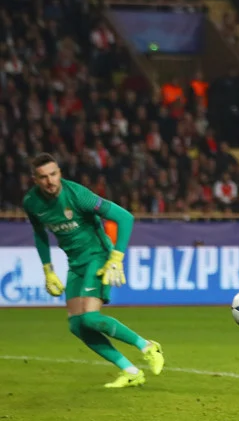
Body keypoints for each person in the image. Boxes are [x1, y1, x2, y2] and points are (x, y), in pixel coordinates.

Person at [22, 154, 164, 388]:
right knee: (77, 326)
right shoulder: (31, 203)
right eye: (43, 177)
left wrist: (116, 257)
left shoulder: (78, 195)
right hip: (75, 263)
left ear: (60, 172)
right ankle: (131, 371)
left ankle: (148, 346)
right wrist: (48, 270)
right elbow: (39, 234)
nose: (50, 181)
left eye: (53, 174)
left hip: (98, 256)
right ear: (35, 179)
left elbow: (124, 217)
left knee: (89, 317)